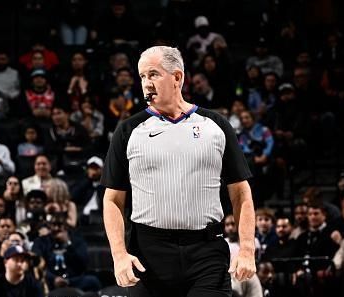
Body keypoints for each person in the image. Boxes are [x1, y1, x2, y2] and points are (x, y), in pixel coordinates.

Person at [101, 46, 256, 297]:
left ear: (177, 77)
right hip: (148, 256)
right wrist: (119, 254)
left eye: (153, 74)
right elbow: (112, 200)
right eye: (142, 76)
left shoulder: (216, 126)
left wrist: (247, 249)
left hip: (206, 252)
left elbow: (241, 194)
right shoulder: (128, 130)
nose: (146, 83)